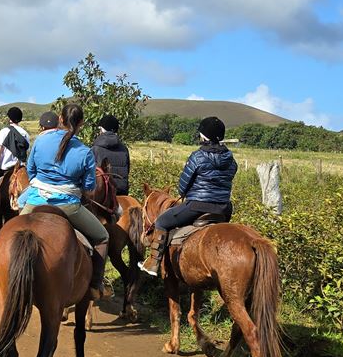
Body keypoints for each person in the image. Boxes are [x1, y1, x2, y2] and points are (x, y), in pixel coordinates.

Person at [16, 103, 110, 300]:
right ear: (81, 123)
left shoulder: (40, 141)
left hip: (36, 199)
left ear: (60, 118)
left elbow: (31, 171)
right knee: (102, 237)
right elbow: (89, 187)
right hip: (68, 205)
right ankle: (95, 285)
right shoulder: (84, 152)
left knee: (13, 233)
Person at [139, 116, 237, 276]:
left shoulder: (197, 156)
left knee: (162, 221)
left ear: (204, 136)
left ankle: (153, 263)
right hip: (223, 210)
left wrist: (186, 193)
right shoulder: (230, 159)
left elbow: (183, 186)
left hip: (197, 206)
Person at [91, 114, 131, 196]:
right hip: (122, 192)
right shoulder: (124, 149)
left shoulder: (95, 149)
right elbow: (127, 170)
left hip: (103, 194)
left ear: (102, 129)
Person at [0, 107, 31, 180]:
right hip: (19, 169)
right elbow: (25, 153)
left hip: (4, 170)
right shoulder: (26, 134)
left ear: (10, 118)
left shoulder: (4, 131)